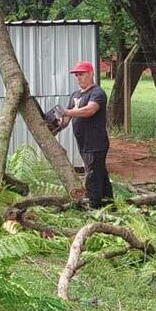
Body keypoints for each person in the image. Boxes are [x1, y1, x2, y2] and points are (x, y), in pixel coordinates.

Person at [61, 60, 112, 209]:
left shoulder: (97, 93)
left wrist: (67, 111)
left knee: (92, 177)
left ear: (91, 74)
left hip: (95, 143)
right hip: (83, 143)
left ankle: (94, 208)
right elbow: (65, 120)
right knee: (100, 175)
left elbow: (90, 110)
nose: (78, 78)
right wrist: (52, 123)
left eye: (81, 74)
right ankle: (110, 205)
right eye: (76, 75)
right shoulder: (75, 95)